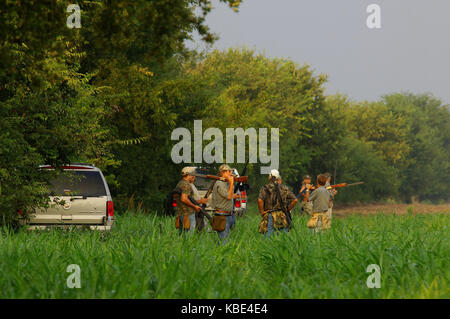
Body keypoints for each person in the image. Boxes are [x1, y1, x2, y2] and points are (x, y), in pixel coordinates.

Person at [258, 169, 298, 237]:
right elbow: (295, 200)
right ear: (278, 177)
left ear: (269, 177)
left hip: (270, 214)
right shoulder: (284, 188)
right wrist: (287, 210)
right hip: (282, 215)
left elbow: (260, 200)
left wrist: (262, 212)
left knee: (269, 237)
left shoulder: (265, 188)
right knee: (284, 237)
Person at [211, 164, 239, 244]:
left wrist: (234, 194)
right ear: (223, 172)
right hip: (222, 216)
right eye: (229, 171)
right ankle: (223, 256)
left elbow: (229, 195)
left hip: (228, 215)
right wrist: (231, 183)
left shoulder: (225, 183)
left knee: (225, 240)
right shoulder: (220, 183)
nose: (231, 173)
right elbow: (229, 197)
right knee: (224, 242)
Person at [174, 166, 203, 235]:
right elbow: (184, 199)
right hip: (188, 214)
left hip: (181, 213)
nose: (194, 176)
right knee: (189, 235)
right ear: (189, 175)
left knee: (182, 235)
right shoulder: (186, 184)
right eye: (192, 175)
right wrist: (194, 206)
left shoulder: (180, 183)